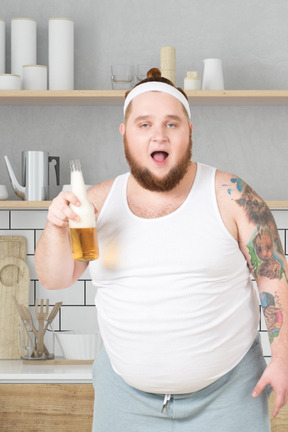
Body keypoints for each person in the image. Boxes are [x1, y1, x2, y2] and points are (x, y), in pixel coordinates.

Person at [35, 68, 288, 431]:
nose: (159, 135)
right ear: (124, 134)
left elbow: (273, 275)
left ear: (189, 133)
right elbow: (54, 278)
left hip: (229, 398)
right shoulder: (95, 204)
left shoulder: (233, 196)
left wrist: (282, 358)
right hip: (124, 400)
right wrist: (55, 226)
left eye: (172, 124)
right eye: (144, 124)